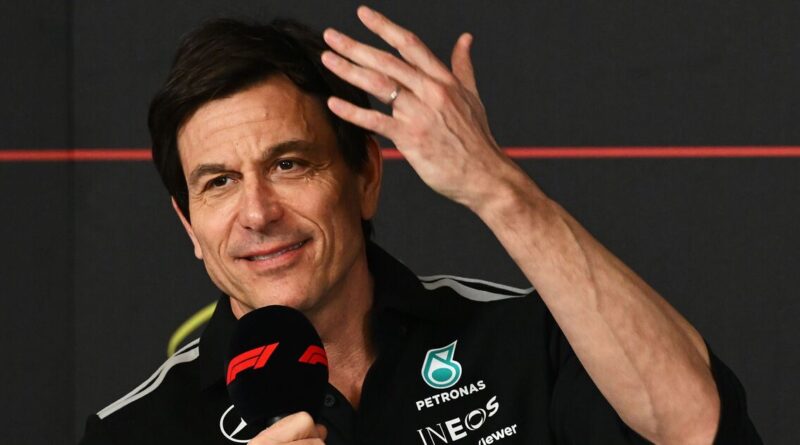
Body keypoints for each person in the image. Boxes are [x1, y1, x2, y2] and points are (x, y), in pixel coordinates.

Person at [80, 6, 761, 445]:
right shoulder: (132, 433)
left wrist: (496, 187)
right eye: (219, 182)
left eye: (289, 164)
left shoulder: (522, 340)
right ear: (189, 224)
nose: (258, 213)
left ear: (366, 176)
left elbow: (699, 428)